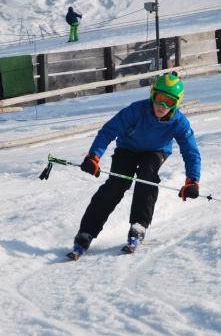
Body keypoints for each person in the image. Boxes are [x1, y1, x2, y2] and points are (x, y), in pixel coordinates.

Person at [68, 73, 202, 260]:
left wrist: (192, 180)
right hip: (128, 148)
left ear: (176, 104)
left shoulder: (179, 122)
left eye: (169, 102)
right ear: (152, 94)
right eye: (159, 98)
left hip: (156, 151)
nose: (162, 106)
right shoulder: (136, 110)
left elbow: (191, 152)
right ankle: (86, 232)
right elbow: (108, 131)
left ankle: (139, 225)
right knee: (116, 184)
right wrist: (93, 156)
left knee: (148, 175)